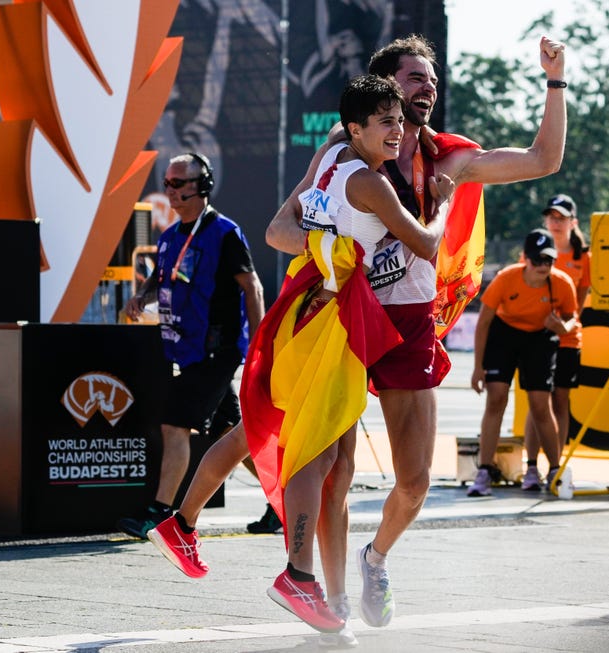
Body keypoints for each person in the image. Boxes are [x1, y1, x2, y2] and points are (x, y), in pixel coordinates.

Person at [264, 33, 567, 630]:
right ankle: (333, 599)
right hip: (344, 319)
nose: (427, 88)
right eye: (413, 79)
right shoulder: (340, 158)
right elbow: (280, 228)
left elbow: (543, 161)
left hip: (409, 323)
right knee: (335, 470)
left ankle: (374, 558)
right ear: (381, 98)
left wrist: (555, 81)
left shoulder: (447, 158)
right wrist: (333, 252)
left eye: (431, 79)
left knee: (414, 482)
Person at [147, 75, 454, 639]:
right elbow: (427, 244)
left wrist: (325, 247)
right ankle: (296, 576)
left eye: (398, 120)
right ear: (357, 128)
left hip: (306, 307)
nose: (396, 131)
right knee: (314, 455)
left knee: (257, 428)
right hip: (332, 324)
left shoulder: (334, 154)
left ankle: (182, 524)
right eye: (384, 122)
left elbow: (286, 227)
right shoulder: (370, 184)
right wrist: (445, 203)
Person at [117, 153, 265, 540]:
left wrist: (262, 342)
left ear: (203, 185)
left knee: (175, 423)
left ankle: (160, 512)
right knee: (231, 433)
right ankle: (280, 501)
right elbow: (160, 278)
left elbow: (252, 287)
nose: (171, 191)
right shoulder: (169, 236)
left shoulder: (224, 232)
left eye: (180, 183)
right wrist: (141, 296)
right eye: (168, 183)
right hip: (183, 349)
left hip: (216, 349)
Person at [468, 229, 578, 497]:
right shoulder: (507, 279)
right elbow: (483, 322)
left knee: (541, 404)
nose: (543, 267)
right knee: (496, 398)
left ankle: (552, 469)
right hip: (504, 334)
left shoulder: (562, 283)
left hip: (539, 337)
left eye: (548, 260)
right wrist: (478, 367)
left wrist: (561, 327)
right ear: (525, 260)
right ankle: (484, 469)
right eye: (537, 260)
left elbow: (571, 318)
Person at [520, 194, 591, 492]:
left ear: (573, 222)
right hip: (537, 335)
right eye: (551, 217)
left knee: (560, 401)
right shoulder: (536, 250)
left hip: (566, 336)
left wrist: (565, 323)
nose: (555, 223)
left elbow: (580, 302)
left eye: (561, 218)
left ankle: (555, 466)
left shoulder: (583, 257)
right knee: (537, 403)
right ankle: (531, 467)